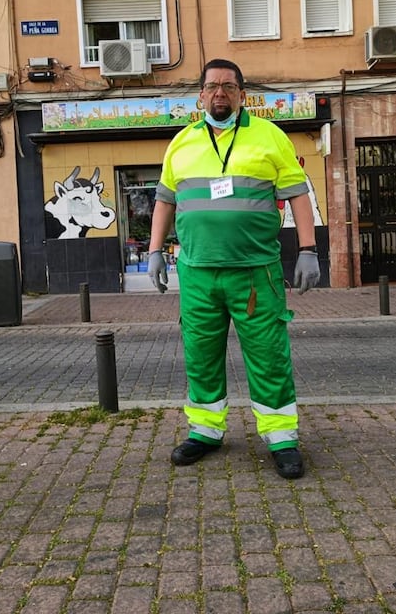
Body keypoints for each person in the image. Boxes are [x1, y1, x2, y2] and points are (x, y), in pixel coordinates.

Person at [148, 59, 320, 479]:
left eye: (228, 85)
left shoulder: (270, 137)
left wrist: (309, 249)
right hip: (198, 271)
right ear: (201, 95)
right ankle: (205, 431)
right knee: (201, 355)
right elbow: (165, 200)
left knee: (267, 355)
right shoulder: (181, 143)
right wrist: (155, 251)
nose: (220, 93)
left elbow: (298, 193)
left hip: (255, 271)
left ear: (243, 94)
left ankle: (281, 437)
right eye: (212, 86)